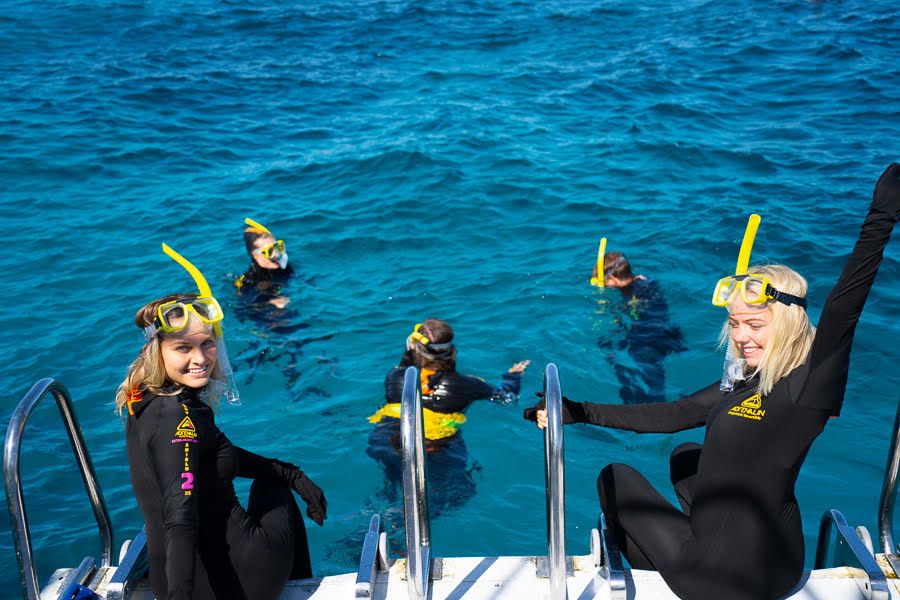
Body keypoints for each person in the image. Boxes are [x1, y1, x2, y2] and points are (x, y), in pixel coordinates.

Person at [525, 164, 900, 600]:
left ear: (788, 322)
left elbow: (844, 308)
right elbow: (675, 414)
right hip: (781, 564)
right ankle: (695, 545)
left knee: (614, 476)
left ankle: (674, 578)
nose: (741, 336)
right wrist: (580, 411)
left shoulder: (810, 383)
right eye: (735, 323)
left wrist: (881, 216)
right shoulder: (747, 379)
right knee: (686, 454)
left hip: (724, 577)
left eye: (756, 324)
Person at [117, 246, 327, 600]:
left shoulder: (145, 399)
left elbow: (211, 453)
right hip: (239, 583)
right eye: (183, 348)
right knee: (271, 490)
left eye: (208, 344)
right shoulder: (178, 419)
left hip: (178, 577)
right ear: (157, 350)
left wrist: (292, 473)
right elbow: (180, 517)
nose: (200, 359)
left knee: (274, 478)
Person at [366, 319, 529, 522]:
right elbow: (506, 398)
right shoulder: (469, 385)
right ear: (451, 351)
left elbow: (407, 365)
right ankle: (403, 524)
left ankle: (376, 517)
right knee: (456, 495)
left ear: (413, 348)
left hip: (385, 441)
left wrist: (411, 351)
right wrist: (512, 376)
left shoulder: (396, 377)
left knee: (391, 488)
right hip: (435, 449)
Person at [232, 217, 334, 394]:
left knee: (312, 334)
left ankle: (320, 365)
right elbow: (242, 307)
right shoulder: (248, 280)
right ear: (254, 255)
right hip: (263, 316)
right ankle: (292, 378)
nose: (277, 254)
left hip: (284, 311)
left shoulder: (282, 267)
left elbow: (295, 277)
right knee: (289, 340)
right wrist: (269, 303)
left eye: (278, 247)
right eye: (270, 251)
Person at [592, 251, 686, 403]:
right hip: (670, 331)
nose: (601, 284)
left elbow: (635, 313)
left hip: (649, 338)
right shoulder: (645, 281)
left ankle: (658, 408)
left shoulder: (633, 294)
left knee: (653, 382)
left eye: (603, 281)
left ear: (613, 279)